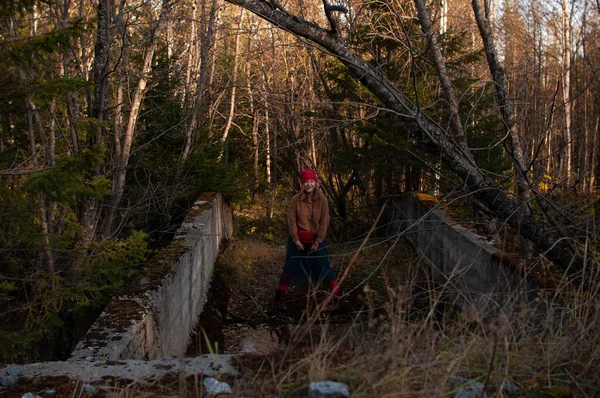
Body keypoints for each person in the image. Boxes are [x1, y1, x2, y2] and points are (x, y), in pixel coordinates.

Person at [274, 169, 341, 312]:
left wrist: (318, 242)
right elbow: (291, 221)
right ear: (302, 183)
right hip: (297, 239)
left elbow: (324, 222)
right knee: (289, 268)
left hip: (316, 240)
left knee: (324, 268)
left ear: (316, 183)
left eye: (311, 181)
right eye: (306, 181)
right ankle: (279, 299)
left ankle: (337, 299)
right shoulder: (295, 200)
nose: (309, 184)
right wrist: (296, 240)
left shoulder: (322, 200)